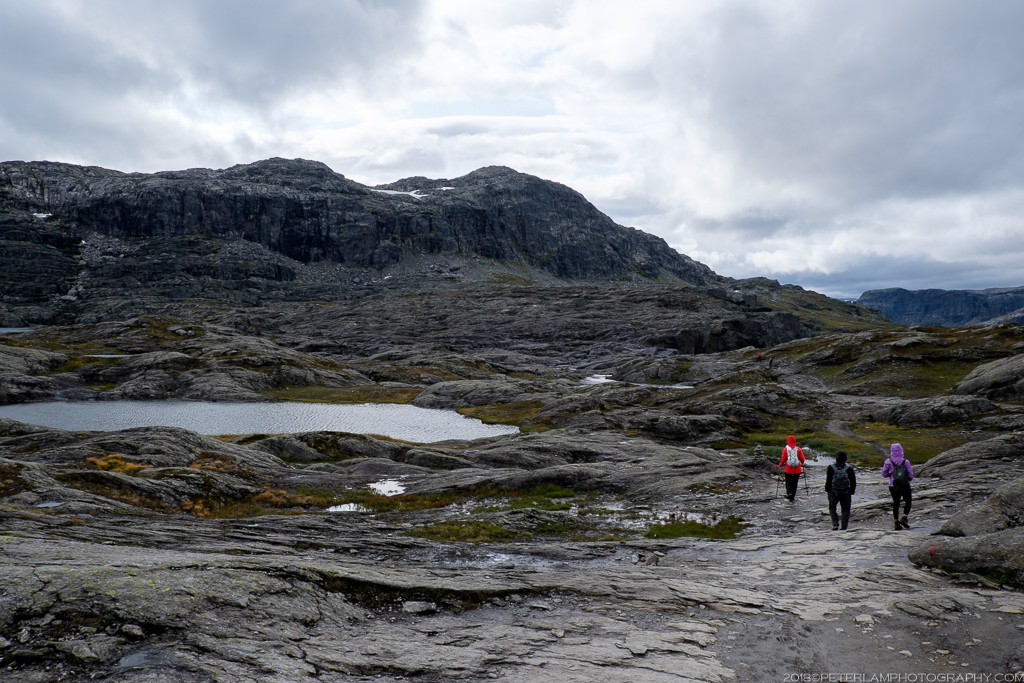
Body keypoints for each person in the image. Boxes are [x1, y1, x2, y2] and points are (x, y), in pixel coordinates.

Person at [881, 443, 914, 530]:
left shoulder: (888, 461)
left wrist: (891, 475)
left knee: (896, 504)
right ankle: (904, 517)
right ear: (900, 451)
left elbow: (884, 474)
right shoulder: (905, 462)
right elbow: (911, 475)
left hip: (893, 485)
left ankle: (896, 523)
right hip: (904, 485)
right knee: (908, 501)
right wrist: (906, 479)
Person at [824, 450, 856, 530]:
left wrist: (827, 489)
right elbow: (853, 482)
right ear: (845, 458)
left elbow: (828, 480)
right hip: (846, 493)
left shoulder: (831, 468)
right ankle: (844, 528)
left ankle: (835, 523)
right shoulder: (849, 469)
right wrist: (851, 491)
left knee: (832, 508)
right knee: (845, 510)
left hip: (833, 492)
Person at [778, 435, 805, 501]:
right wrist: (802, 462)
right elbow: (802, 459)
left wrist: (780, 464)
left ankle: (789, 493)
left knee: (788, 482)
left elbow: (783, 459)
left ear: (787, 441)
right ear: (794, 441)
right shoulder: (798, 449)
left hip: (788, 469)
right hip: (797, 470)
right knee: (795, 483)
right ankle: (792, 497)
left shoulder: (785, 449)